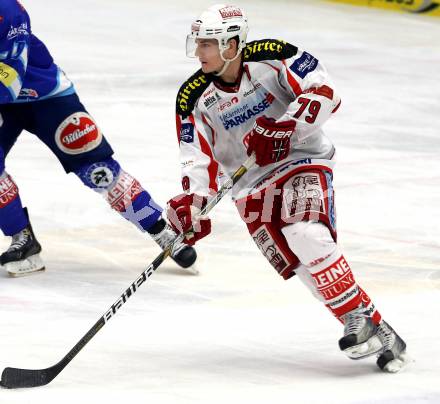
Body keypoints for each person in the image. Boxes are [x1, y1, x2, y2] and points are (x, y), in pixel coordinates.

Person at [166, 4, 408, 372]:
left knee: (306, 233)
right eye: (198, 43)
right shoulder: (192, 97)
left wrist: (286, 128)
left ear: (233, 44)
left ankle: (356, 318)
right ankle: (377, 326)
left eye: (207, 44)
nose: (198, 52)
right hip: (248, 186)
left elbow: (326, 91)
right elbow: (195, 157)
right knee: (303, 266)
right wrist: (193, 201)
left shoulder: (275, 56)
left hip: (302, 159)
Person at [0, 0, 196, 276]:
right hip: (4, 102)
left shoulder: (8, 12)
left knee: (98, 171)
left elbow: (10, 81)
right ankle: (23, 238)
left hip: (46, 97)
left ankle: (161, 231)